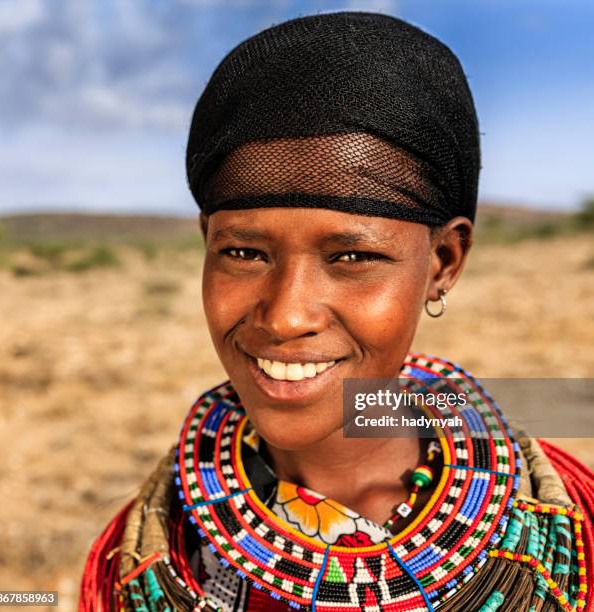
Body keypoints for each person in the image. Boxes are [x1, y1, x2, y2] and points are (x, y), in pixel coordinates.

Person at [80, 12, 594, 612]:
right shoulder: (147, 551)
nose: (284, 316)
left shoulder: (568, 518)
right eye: (243, 252)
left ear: (443, 263)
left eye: (352, 256)